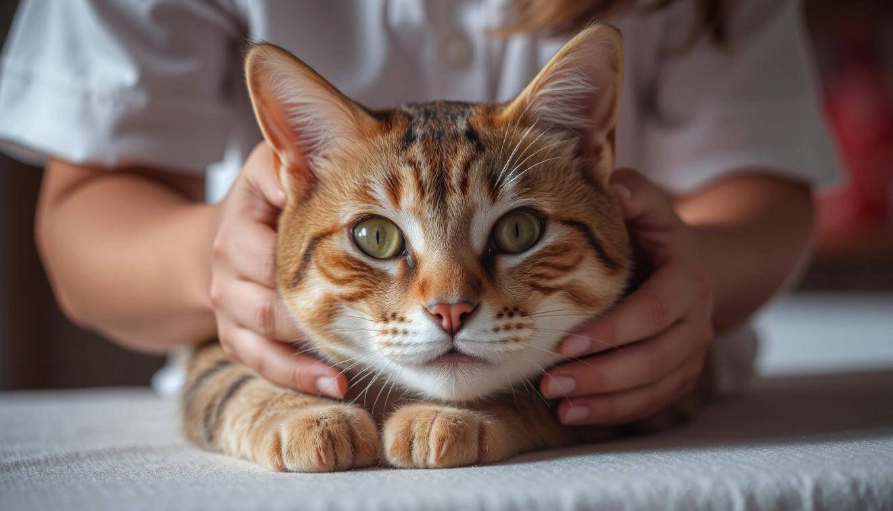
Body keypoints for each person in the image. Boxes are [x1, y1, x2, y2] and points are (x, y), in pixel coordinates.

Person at [0, 0, 839, 426]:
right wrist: (221, 261)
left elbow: (764, 189)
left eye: (509, 234)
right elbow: (82, 219)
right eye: (379, 239)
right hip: (288, 381)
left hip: (637, 399)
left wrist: (698, 269)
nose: (448, 301)